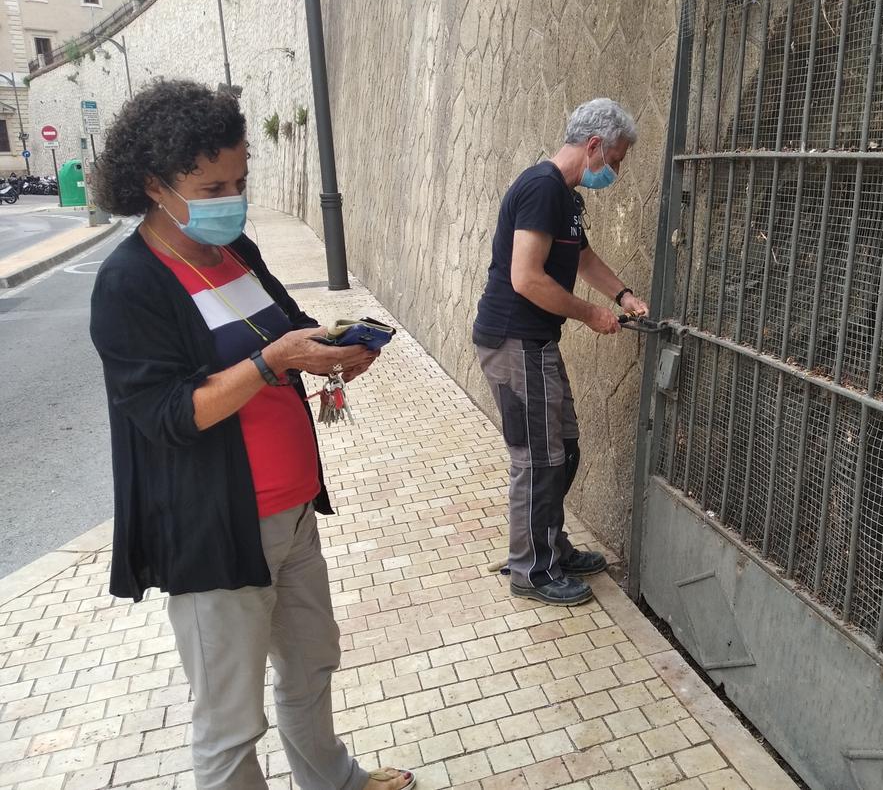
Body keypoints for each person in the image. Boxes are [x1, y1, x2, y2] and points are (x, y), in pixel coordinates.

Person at [89, 80, 415, 790]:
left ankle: (332, 781)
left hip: (292, 513)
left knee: (310, 666)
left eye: (239, 179)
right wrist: (274, 360)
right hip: (214, 533)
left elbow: (289, 334)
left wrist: (332, 358)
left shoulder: (235, 248)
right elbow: (170, 414)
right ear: (153, 184)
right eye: (211, 185)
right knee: (231, 723)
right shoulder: (128, 284)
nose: (229, 197)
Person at [473, 98, 649, 607]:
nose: (614, 171)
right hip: (515, 340)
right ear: (593, 146)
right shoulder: (541, 188)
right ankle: (531, 569)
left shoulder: (567, 198)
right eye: (614, 160)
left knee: (563, 449)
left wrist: (622, 295)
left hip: (536, 343)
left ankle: (550, 545)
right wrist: (592, 315)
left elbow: (583, 256)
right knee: (538, 459)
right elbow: (525, 278)